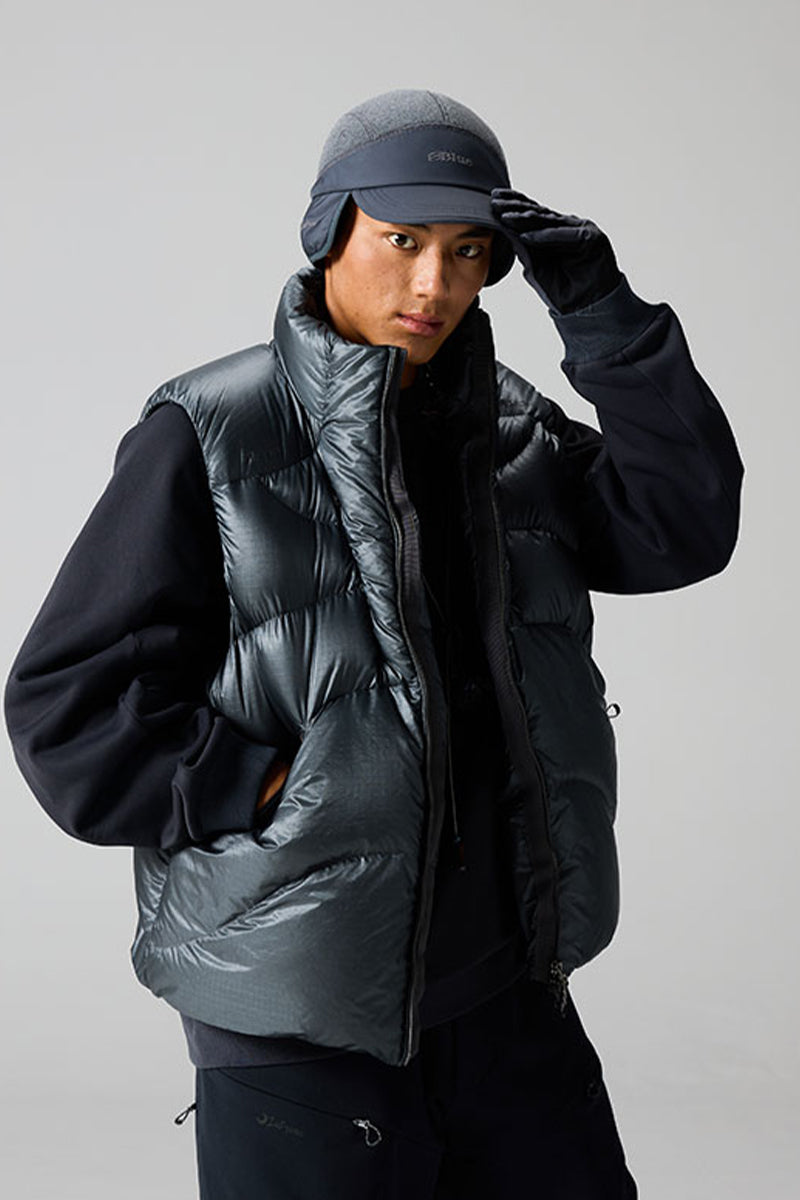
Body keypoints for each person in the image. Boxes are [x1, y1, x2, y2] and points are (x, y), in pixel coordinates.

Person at [4, 88, 744, 1198]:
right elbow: (69, 705)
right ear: (332, 231)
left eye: (466, 251)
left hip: (509, 994)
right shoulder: (207, 432)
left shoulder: (511, 430)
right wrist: (268, 787)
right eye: (401, 240)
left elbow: (682, 524)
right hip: (298, 1020)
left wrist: (602, 313)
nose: (433, 284)